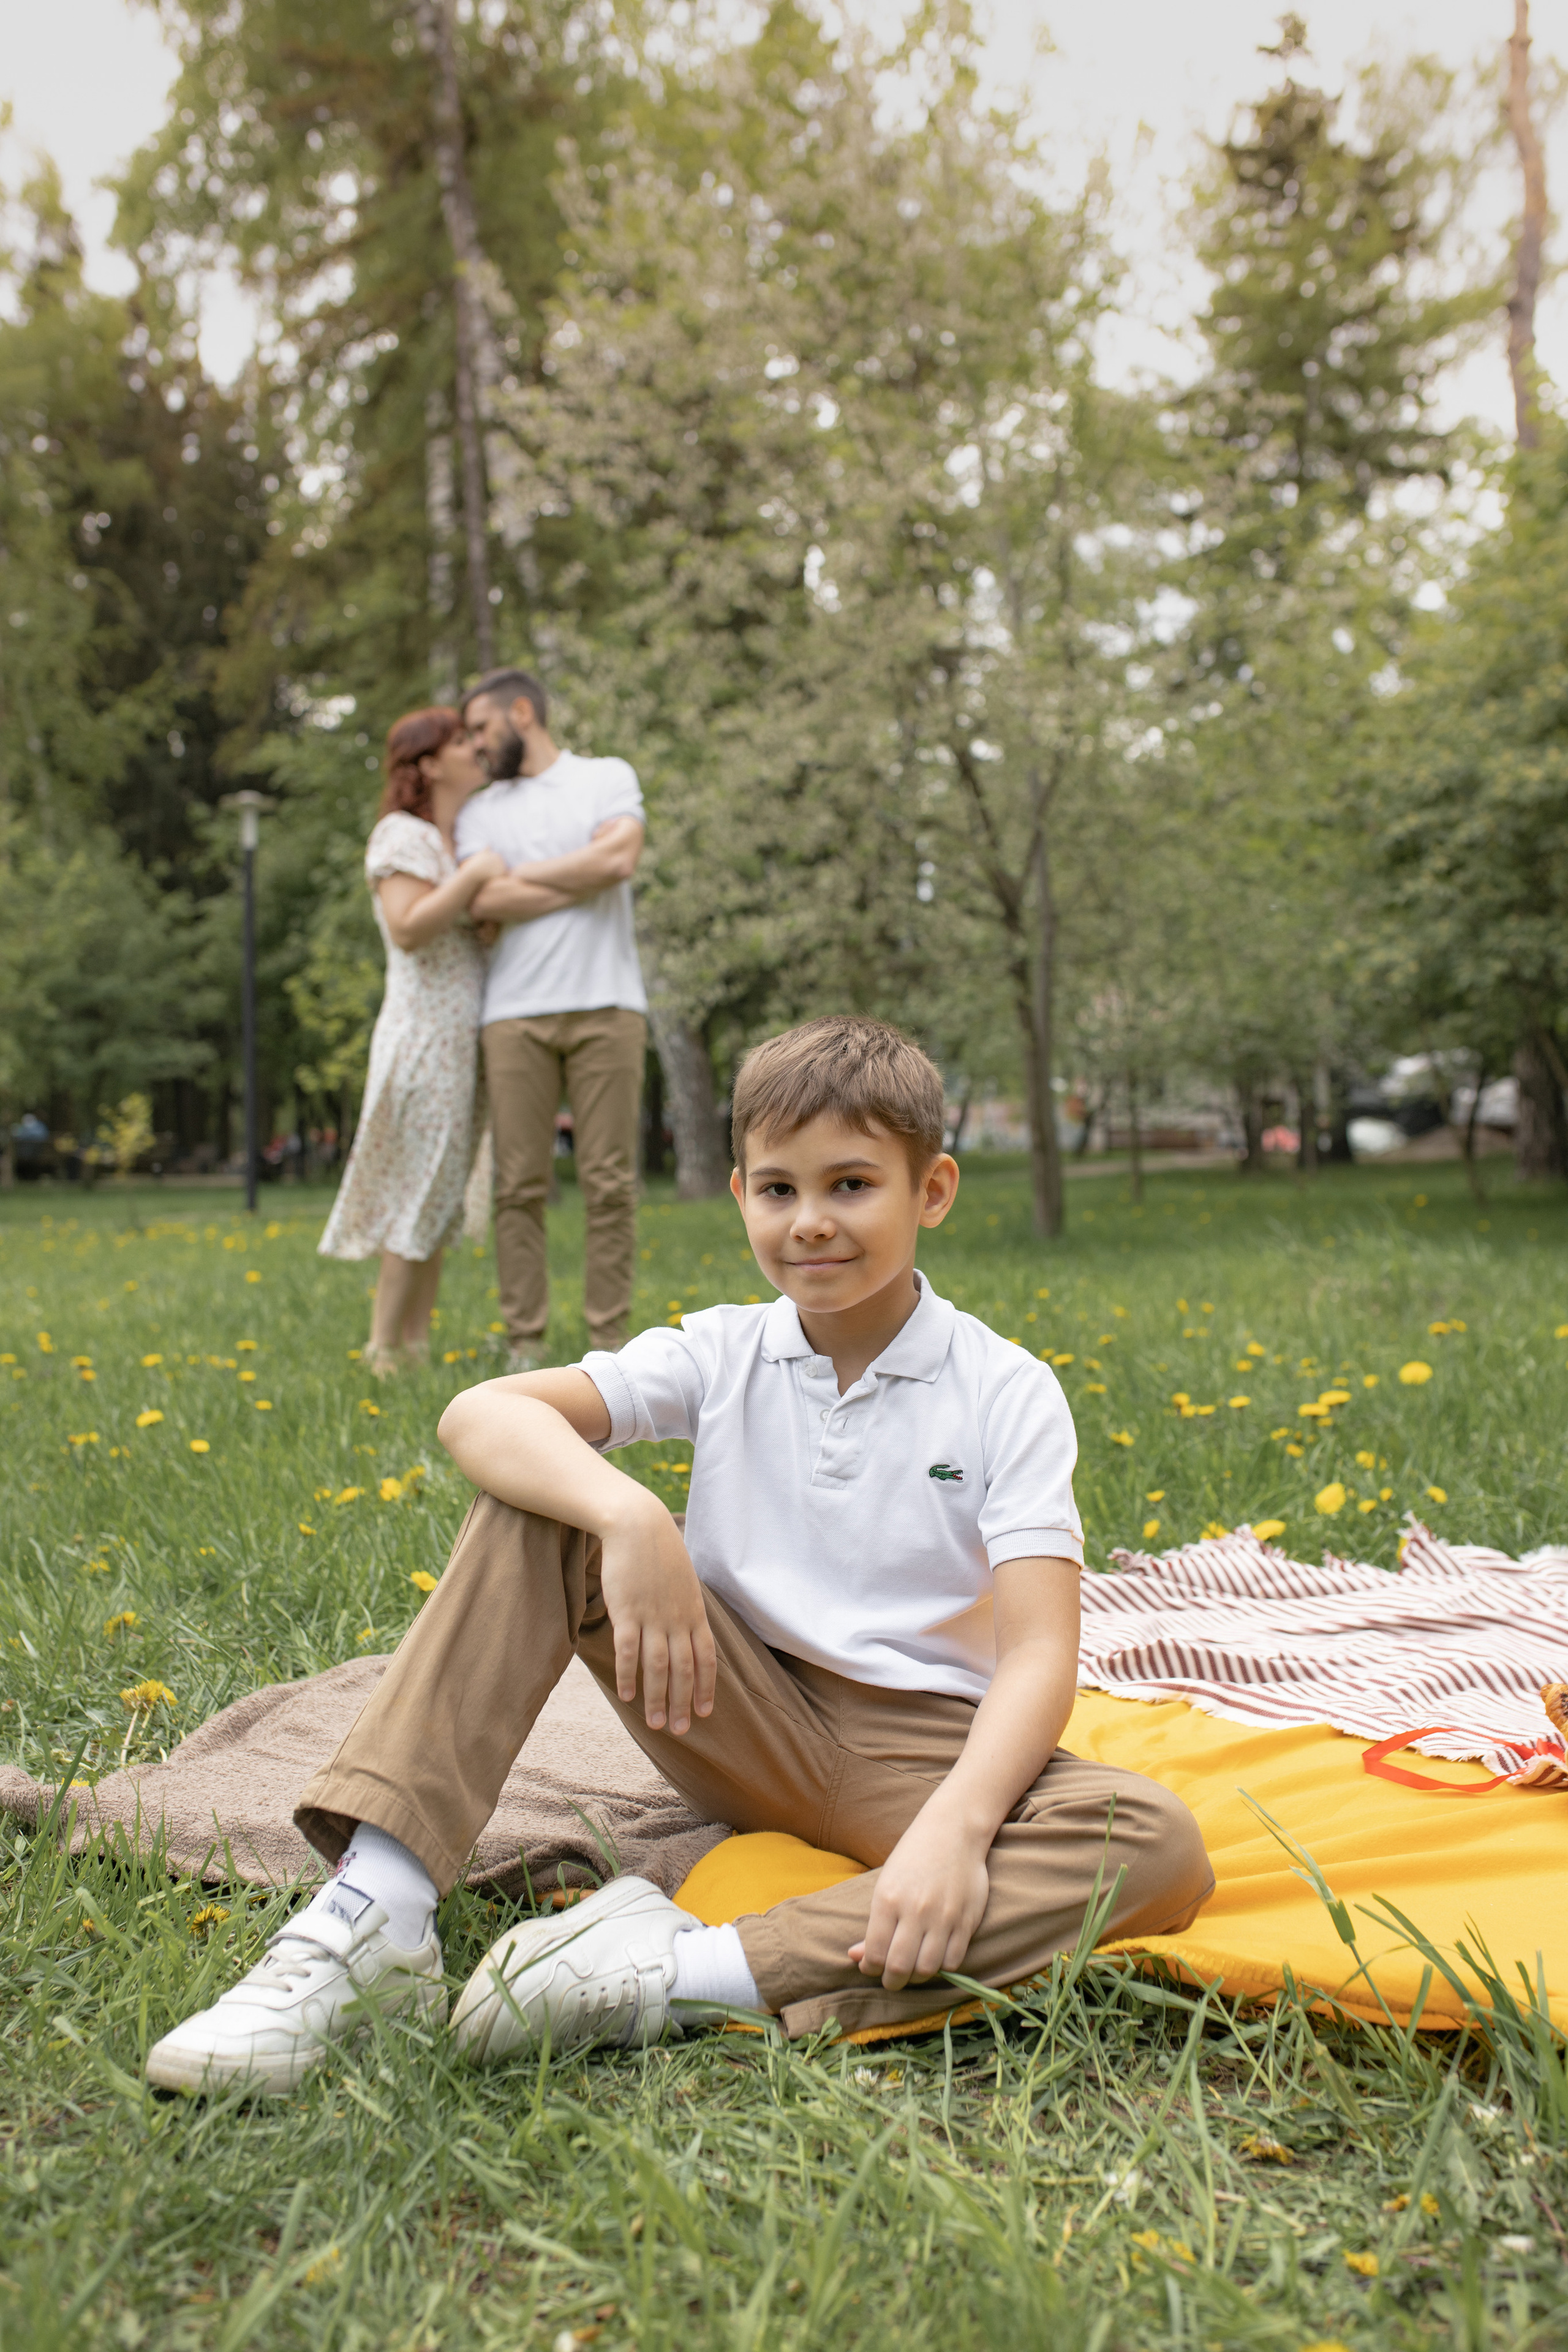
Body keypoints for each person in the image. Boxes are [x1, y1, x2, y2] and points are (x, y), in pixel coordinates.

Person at [146, 1014, 1212, 2094]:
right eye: (779, 1190)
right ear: (742, 1191)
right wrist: (630, 1517)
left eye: (852, 1186)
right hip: (728, 1711)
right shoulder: (720, 1349)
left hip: (920, 1753)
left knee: (1154, 1844)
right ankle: (375, 1914)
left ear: (930, 1191)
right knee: (542, 1495)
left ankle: (675, 1972)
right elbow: (480, 1413)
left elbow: (1039, 1655)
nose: (811, 1224)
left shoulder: (1006, 1388)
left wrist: (957, 1830)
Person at [455, 665, 649, 1370]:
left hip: (609, 1004)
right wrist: (582, 871)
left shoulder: (605, 777)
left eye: (482, 727)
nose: (475, 744)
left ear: (523, 713)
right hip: (513, 1014)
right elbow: (483, 905)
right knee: (518, 1186)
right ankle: (525, 1345)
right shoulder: (478, 813)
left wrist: (517, 879)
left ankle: (609, 1344)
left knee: (608, 1182)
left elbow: (620, 858)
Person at [317, 707, 505, 1375]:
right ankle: (382, 1347)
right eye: (460, 743)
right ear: (426, 764)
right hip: (424, 1038)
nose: (473, 750)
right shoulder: (403, 835)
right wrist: (477, 875)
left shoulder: (453, 842)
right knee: (416, 1188)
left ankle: (417, 1345)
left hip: (462, 1042)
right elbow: (406, 926)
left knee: (442, 1194)